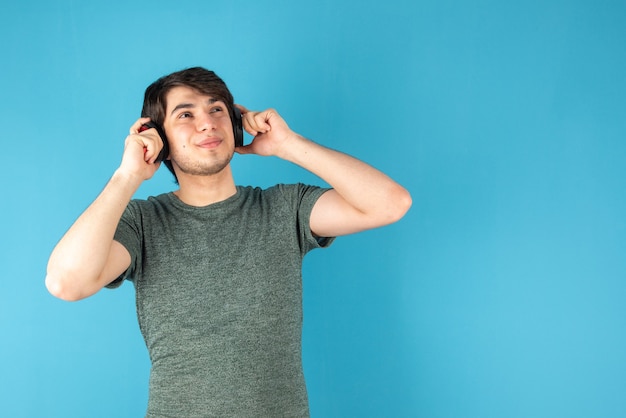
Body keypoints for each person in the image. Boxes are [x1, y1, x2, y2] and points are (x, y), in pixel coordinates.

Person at [46, 67, 411, 417]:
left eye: (217, 109)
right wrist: (127, 175)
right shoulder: (143, 223)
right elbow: (66, 282)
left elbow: (391, 203)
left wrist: (288, 145)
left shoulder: (284, 209)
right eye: (185, 115)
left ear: (235, 125)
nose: (207, 122)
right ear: (160, 141)